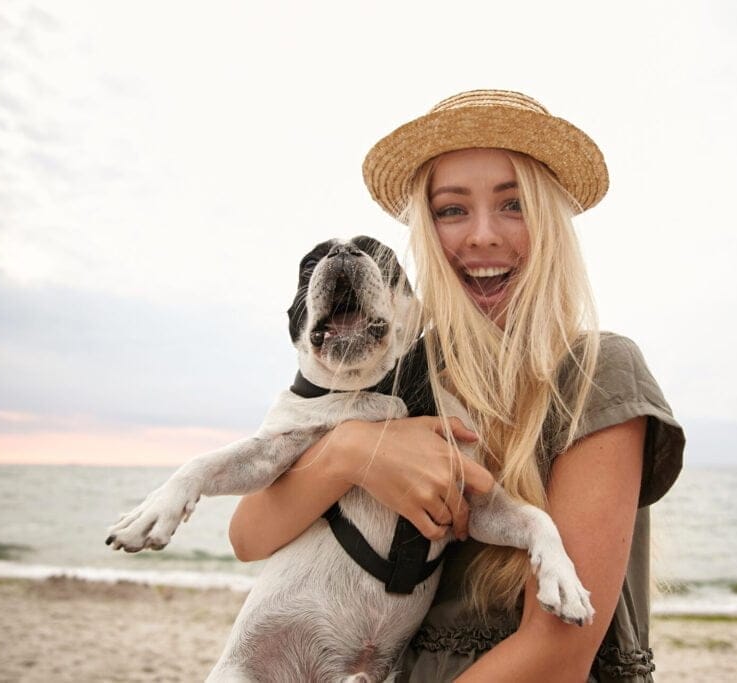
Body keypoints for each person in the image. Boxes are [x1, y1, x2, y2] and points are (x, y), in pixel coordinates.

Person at [229, 90, 685, 682]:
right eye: (452, 210)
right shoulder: (406, 371)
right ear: (426, 229)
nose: (482, 236)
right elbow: (248, 536)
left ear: (550, 223)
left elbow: (558, 654)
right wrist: (350, 453)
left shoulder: (598, 370)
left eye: (514, 205)